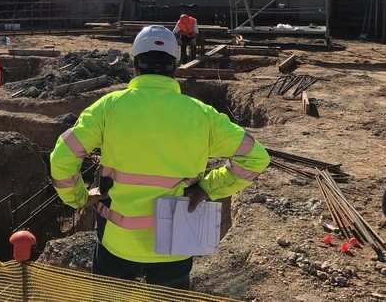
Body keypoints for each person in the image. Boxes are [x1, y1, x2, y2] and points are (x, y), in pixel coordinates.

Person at [50, 25, 269, 290]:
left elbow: (62, 157)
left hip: (118, 241)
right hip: (175, 243)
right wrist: (208, 188)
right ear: (175, 67)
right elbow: (256, 158)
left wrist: (80, 198)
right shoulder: (202, 115)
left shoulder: (109, 107)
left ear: (134, 65)